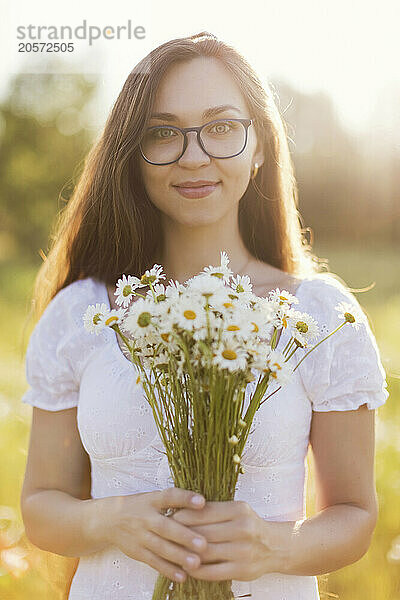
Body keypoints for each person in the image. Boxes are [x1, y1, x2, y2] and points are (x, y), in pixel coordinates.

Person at [20, 31, 389, 600]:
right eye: (163, 133)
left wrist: (273, 544)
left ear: (260, 146)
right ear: (133, 155)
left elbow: (355, 516)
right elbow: (42, 508)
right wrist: (109, 519)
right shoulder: (81, 314)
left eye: (222, 128)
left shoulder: (319, 315)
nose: (194, 156)